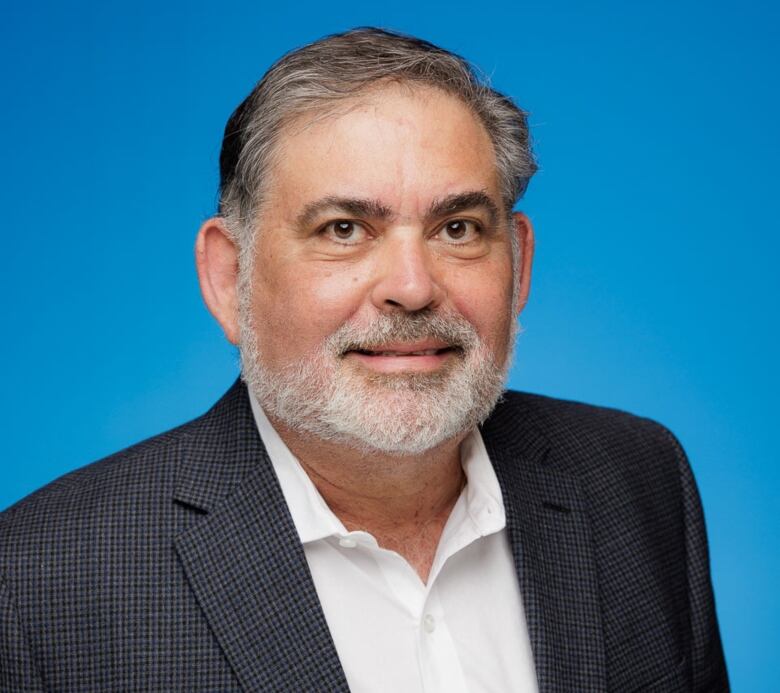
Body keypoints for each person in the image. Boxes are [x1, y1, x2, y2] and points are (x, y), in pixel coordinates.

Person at [0, 27, 728, 692]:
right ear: (230, 279)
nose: (412, 288)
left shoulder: (639, 479)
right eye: (344, 228)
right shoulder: (37, 581)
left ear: (520, 266)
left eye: (458, 227)